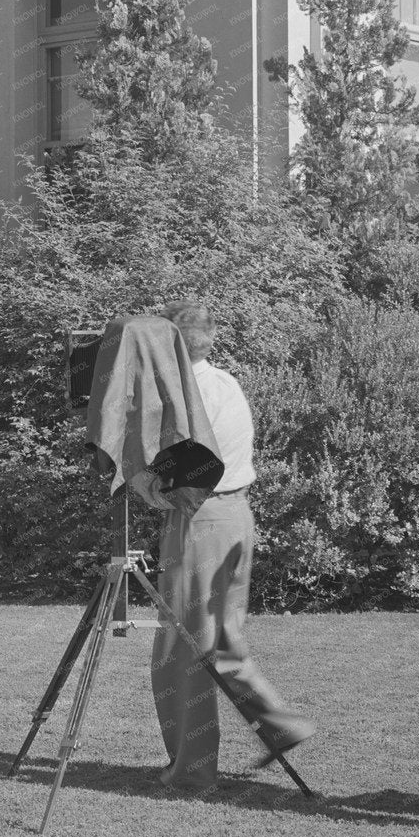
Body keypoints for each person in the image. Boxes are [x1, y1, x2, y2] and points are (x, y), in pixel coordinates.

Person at [132, 301, 316, 792]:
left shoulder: (189, 399)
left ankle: (192, 772)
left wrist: (138, 476)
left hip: (201, 520)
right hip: (235, 515)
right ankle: (280, 724)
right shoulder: (224, 381)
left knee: (182, 647)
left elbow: (174, 478)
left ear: (168, 344)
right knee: (221, 640)